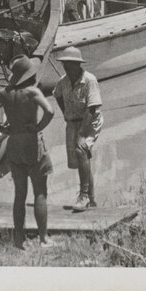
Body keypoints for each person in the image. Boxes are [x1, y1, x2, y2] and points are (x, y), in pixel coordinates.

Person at [0, 56, 55, 249]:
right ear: (31, 74)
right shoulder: (32, 92)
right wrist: (38, 126)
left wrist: (0, 128)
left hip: (15, 143)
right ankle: (43, 238)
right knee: (40, 192)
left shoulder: (4, 93)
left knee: (20, 194)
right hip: (32, 144)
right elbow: (50, 111)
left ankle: (19, 240)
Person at [52, 46, 102, 212]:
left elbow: (92, 108)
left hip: (90, 121)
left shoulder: (89, 80)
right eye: (64, 63)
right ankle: (92, 200)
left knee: (81, 151)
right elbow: (57, 95)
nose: (66, 66)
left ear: (77, 64)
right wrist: (66, 113)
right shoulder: (63, 81)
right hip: (73, 121)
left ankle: (84, 196)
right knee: (82, 160)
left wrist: (81, 133)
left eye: (69, 63)